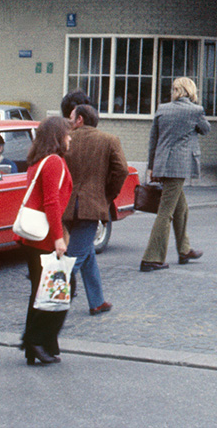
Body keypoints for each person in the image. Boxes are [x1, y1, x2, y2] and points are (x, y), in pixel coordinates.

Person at [17, 116, 74, 366]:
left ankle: (39, 343)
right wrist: (58, 238)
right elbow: (52, 202)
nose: (70, 138)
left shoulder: (37, 161)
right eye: (67, 134)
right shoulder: (54, 162)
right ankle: (37, 340)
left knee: (41, 291)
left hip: (33, 239)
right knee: (60, 289)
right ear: (58, 137)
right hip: (46, 239)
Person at [64, 104, 129, 316]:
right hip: (92, 206)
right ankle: (47, 297)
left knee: (86, 252)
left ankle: (97, 301)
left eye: (71, 117)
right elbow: (122, 170)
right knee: (73, 261)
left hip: (67, 205)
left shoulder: (66, 140)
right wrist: (107, 195)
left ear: (80, 119)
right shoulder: (109, 140)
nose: (68, 120)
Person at [141, 77, 210, 272]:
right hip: (179, 167)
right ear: (191, 91)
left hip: (162, 164)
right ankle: (151, 258)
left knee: (181, 208)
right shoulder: (195, 111)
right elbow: (206, 130)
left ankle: (184, 249)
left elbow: (153, 139)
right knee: (166, 212)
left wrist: (151, 167)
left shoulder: (162, 108)